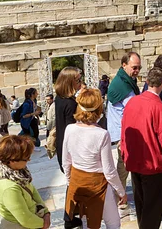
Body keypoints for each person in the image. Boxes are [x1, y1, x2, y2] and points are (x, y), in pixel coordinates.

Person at [121, 67, 162, 229]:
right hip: (154, 167)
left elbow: (124, 132)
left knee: (141, 206)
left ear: (147, 82)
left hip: (134, 163)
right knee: (153, 210)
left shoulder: (131, 103)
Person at [62, 89, 126, 229]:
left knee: (86, 223)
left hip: (78, 181)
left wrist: (70, 183)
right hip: (98, 185)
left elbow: (66, 162)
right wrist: (121, 191)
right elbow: (109, 170)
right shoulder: (102, 134)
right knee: (113, 223)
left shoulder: (69, 129)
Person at [0, 135, 51, 229]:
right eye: (26, 158)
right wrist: (44, 223)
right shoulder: (9, 189)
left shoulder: (13, 171)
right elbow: (25, 219)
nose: (29, 160)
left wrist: (45, 211)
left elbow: (31, 189)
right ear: (12, 160)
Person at [107, 51, 141, 194]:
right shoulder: (123, 86)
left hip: (124, 130)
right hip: (123, 133)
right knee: (124, 165)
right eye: (134, 67)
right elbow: (134, 108)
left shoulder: (125, 80)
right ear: (124, 65)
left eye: (139, 67)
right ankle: (119, 195)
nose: (137, 71)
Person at [54, 67, 81, 171]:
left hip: (62, 145)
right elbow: (72, 129)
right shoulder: (70, 103)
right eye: (78, 80)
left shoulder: (59, 98)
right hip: (70, 150)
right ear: (69, 82)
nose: (80, 82)